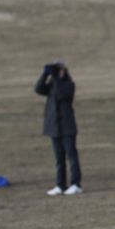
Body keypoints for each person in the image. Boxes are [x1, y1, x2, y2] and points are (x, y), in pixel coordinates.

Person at [35, 60, 82, 196]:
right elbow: (38, 89)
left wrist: (56, 78)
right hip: (54, 127)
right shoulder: (51, 85)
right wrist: (45, 74)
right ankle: (60, 185)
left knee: (72, 157)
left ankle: (76, 184)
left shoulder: (69, 84)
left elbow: (62, 94)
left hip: (67, 126)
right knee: (59, 158)